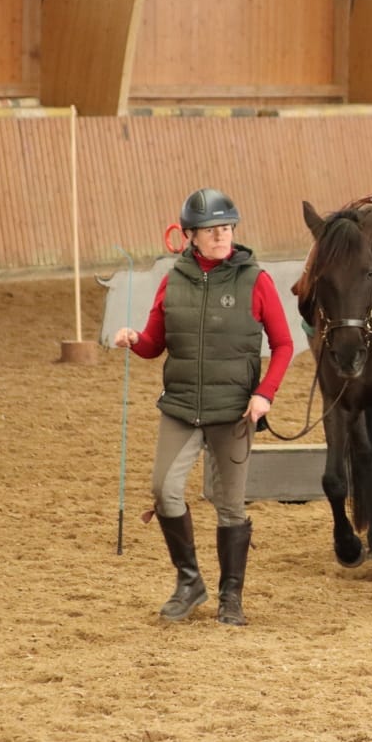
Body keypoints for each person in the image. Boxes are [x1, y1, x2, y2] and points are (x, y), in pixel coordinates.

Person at [114, 188, 293, 626]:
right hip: (180, 407)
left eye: (227, 228)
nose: (222, 236)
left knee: (230, 505)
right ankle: (189, 581)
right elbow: (156, 344)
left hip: (234, 411)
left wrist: (264, 393)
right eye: (212, 230)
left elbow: (284, 344)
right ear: (191, 236)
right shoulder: (172, 281)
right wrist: (135, 340)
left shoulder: (257, 280)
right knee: (163, 489)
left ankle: (232, 596)